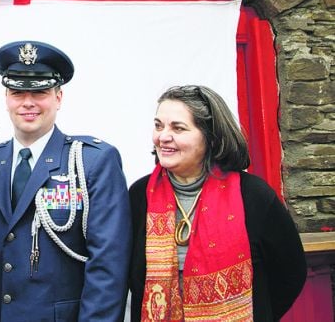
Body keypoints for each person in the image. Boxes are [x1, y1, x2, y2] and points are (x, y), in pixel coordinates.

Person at [0, 41, 131, 322]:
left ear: (59, 97)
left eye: (40, 92)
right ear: (6, 97)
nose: (28, 102)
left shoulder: (92, 162)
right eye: (17, 92)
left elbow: (108, 267)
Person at [129, 85, 307, 321]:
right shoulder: (140, 195)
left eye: (178, 128)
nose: (163, 137)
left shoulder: (254, 196)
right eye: (158, 126)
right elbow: (129, 275)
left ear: (210, 136)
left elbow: (290, 273)